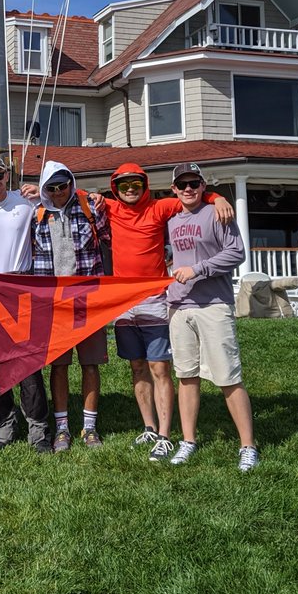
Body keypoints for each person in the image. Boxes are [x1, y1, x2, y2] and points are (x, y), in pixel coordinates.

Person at [102, 163, 235, 464]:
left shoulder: (159, 207)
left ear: (145, 184)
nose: (130, 189)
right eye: (123, 185)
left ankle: (165, 435)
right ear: (115, 189)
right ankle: (148, 427)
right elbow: (73, 194)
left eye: (136, 183)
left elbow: (193, 196)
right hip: (124, 302)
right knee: (136, 367)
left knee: (160, 368)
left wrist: (219, 198)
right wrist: (32, 191)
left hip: (155, 299)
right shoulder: (109, 208)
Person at [165, 163, 259, 472]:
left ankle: (248, 446)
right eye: (183, 184)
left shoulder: (218, 213)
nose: (189, 188)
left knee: (227, 376)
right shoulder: (172, 219)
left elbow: (236, 253)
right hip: (179, 307)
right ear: (174, 189)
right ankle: (188, 440)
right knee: (186, 376)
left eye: (194, 182)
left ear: (204, 185)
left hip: (213, 304)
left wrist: (198, 268)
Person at [0, 154, 51, 452]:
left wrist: (41, 193)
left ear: (7, 176)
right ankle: (3, 425)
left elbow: (60, 199)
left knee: (28, 362)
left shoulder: (25, 201)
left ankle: (38, 429)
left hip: (21, 286)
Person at [32, 160, 111, 452]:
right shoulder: (36, 216)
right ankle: (62, 428)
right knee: (59, 366)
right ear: (45, 190)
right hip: (54, 305)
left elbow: (115, 234)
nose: (58, 192)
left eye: (63, 186)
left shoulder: (90, 208)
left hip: (88, 300)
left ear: (71, 183)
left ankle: (90, 428)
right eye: (51, 188)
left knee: (90, 364)